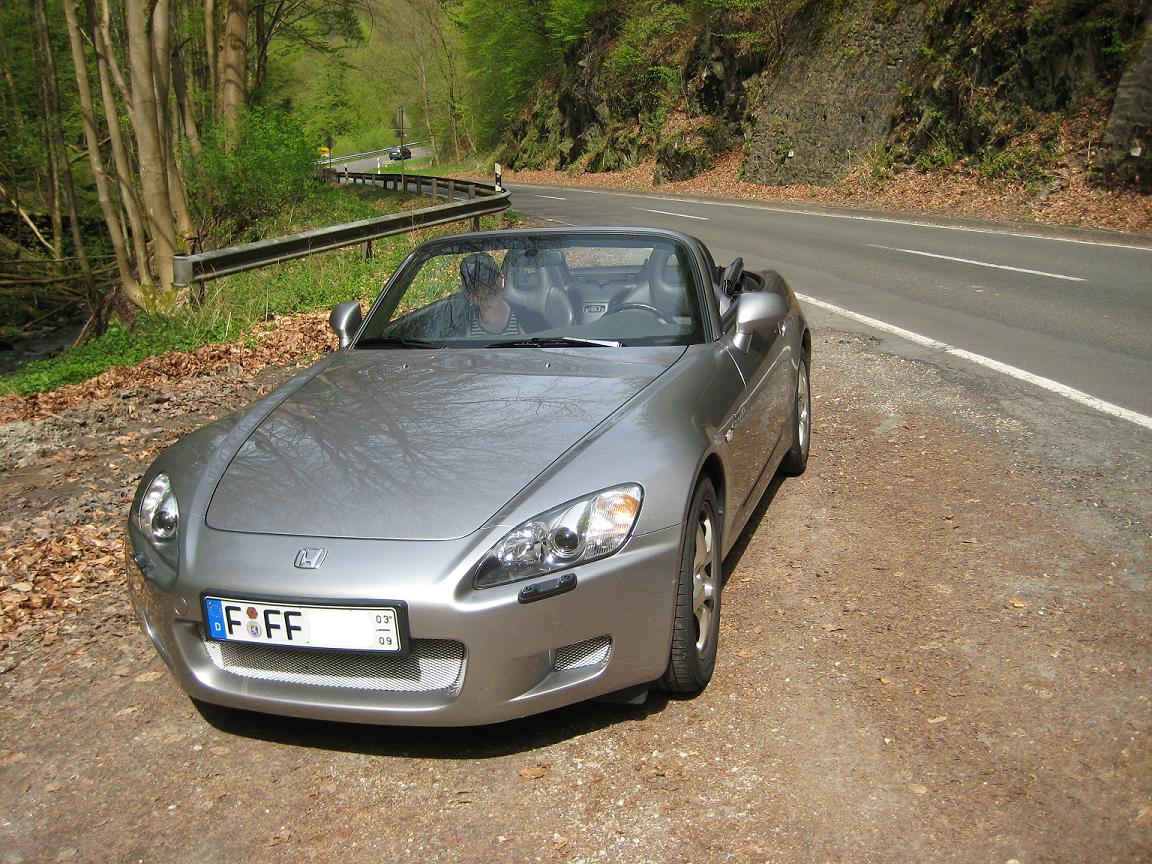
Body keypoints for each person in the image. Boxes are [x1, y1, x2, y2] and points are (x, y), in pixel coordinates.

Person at [457, 252, 547, 336]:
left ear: (501, 281)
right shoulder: (460, 324)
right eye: (476, 286)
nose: (485, 290)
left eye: (490, 281)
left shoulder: (530, 319)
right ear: (467, 293)